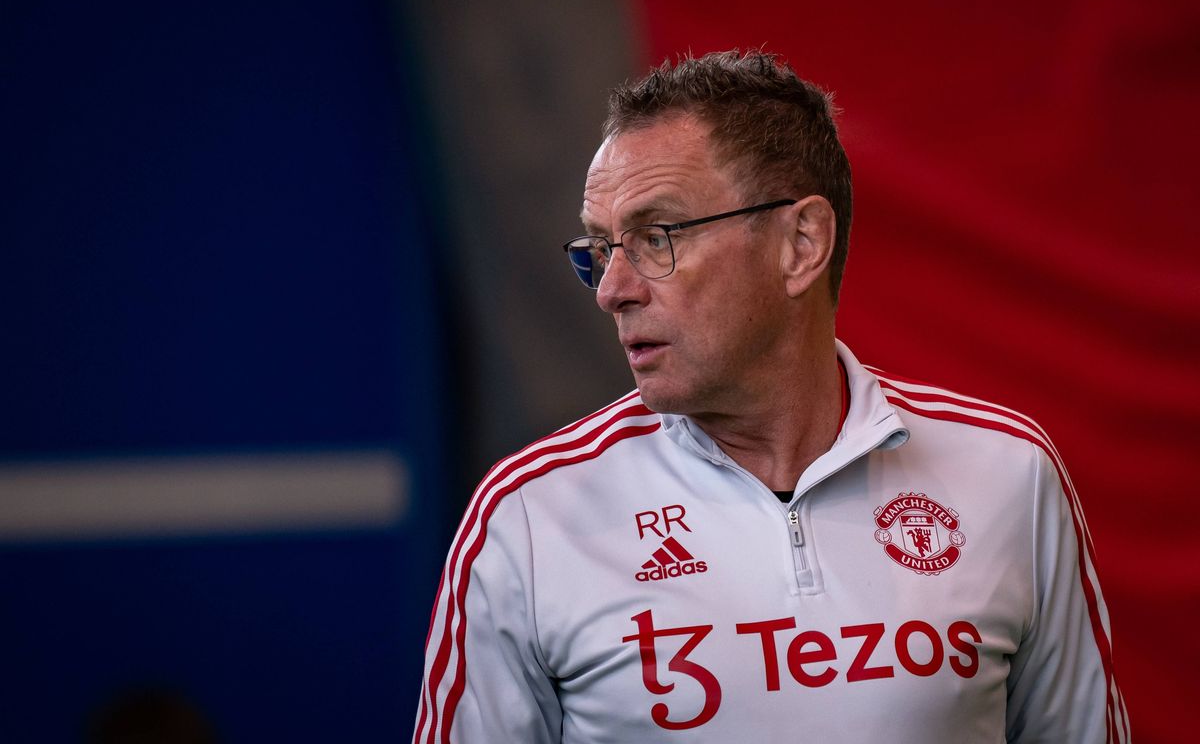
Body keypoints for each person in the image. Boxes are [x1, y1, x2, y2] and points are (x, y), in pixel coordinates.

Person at [413, 50, 1127, 743]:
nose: (612, 290)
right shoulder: (527, 519)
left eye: (657, 236)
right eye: (600, 248)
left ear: (801, 243)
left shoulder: (1010, 473)